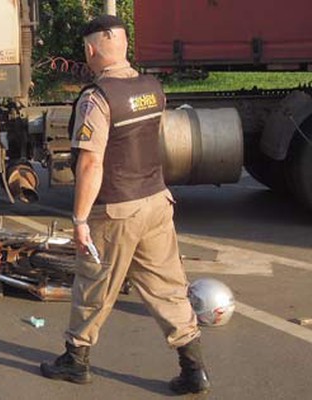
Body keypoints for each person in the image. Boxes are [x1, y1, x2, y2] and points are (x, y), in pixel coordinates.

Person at [40, 15, 211, 395]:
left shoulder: (97, 98)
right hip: (156, 201)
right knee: (167, 287)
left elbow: (90, 162)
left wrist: (80, 219)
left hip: (116, 209)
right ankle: (194, 368)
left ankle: (76, 360)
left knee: (93, 284)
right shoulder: (152, 88)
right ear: (125, 45)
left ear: (90, 50)